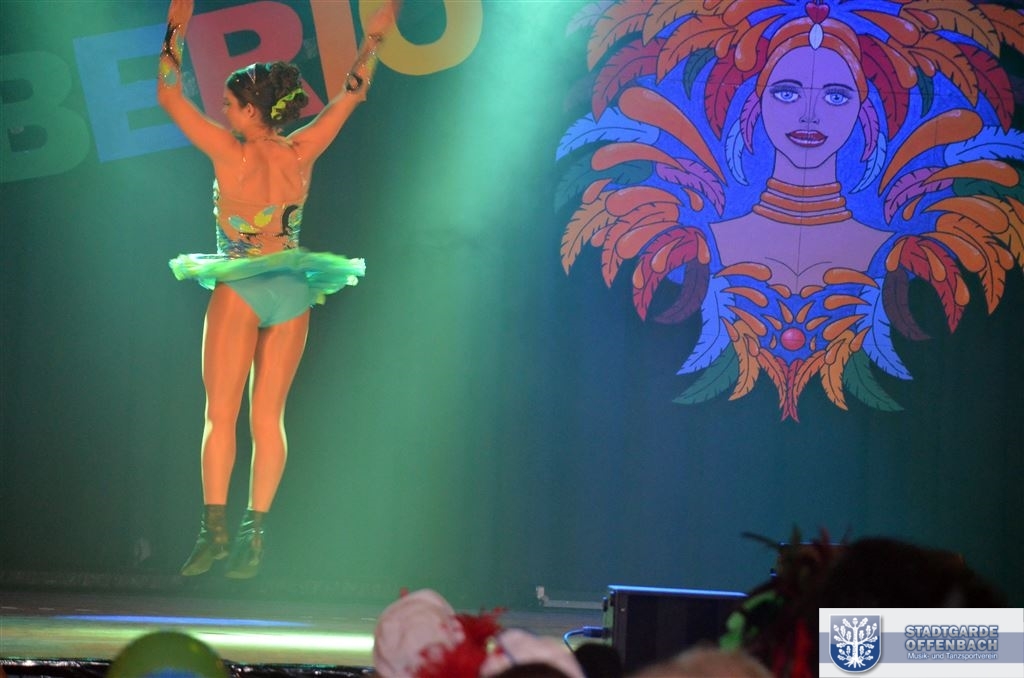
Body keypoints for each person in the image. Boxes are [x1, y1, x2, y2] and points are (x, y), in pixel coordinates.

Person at [157, 0, 397, 578]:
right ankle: (255, 533)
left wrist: (177, 22)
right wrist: (374, 38)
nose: (222, 110)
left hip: (242, 284)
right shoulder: (301, 150)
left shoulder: (228, 151)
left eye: (227, 104)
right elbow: (353, 92)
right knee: (269, 419)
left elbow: (168, 95)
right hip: (291, 287)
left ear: (249, 111)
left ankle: (213, 532)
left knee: (220, 415)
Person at [710, 16, 891, 292]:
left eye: (836, 97)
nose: (809, 115)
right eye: (787, 94)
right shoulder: (710, 241)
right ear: (758, 102)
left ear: (862, 110)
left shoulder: (889, 250)